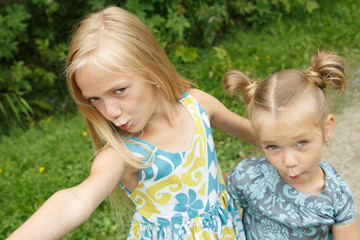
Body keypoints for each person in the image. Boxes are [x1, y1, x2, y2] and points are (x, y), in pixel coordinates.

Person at [7, 6, 259, 240]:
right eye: (95, 99)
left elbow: (261, 136)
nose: (111, 112)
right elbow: (76, 200)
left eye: (118, 90)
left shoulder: (198, 106)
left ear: (152, 68)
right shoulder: (123, 154)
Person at [222, 50, 360, 239]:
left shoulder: (336, 196)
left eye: (301, 143)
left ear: (327, 128)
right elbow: (205, 186)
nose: (288, 161)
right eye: (272, 146)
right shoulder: (250, 178)